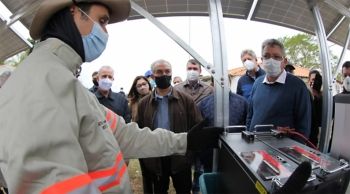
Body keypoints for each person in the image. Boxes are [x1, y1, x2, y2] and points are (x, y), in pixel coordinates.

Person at [0, 1, 223, 193]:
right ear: (74, 12)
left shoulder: (65, 82)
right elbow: (51, 183)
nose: (105, 32)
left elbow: (124, 135)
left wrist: (184, 141)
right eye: (103, 21)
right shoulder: (42, 80)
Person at [137, 59, 203, 194]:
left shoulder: (185, 100)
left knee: (184, 190)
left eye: (167, 71)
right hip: (156, 157)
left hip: (180, 156)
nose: (164, 75)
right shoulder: (144, 104)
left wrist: (188, 155)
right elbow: (139, 131)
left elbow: (196, 126)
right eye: (159, 72)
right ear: (153, 76)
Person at [246, 39, 311, 138]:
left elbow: (304, 127)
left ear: (284, 61)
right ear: (262, 60)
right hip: (254, 146)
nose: (271, 60)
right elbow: (250, 115)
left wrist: (293, 151)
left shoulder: (298, 86)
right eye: (267, 56)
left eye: (276, 57)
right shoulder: (257, 83)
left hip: (280, 150)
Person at [197, 90, 248, 174]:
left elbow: (247, 124)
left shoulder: (243, 102)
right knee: (210, 175)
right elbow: (199, 128)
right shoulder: (204, 103)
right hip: (210, 152)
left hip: (236, 151)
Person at [308, 70, 322, 146]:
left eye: (316, 80)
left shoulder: (322, 97)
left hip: (317, 132)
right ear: (309, 80)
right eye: (313, 80)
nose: (314, 82)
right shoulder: (305, 93)